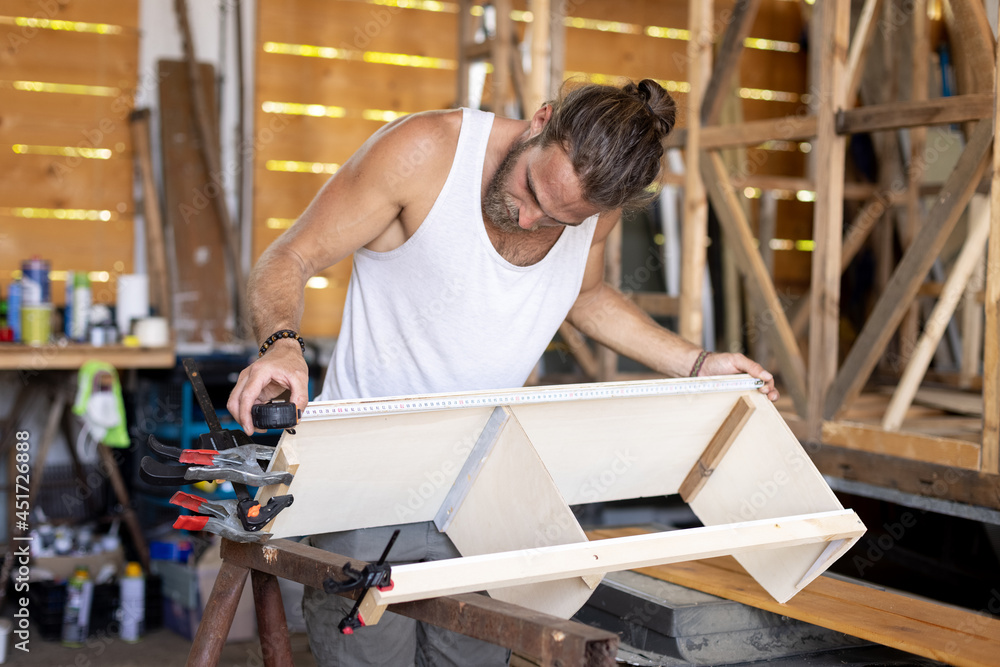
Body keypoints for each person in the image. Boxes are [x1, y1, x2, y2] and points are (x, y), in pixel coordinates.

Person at [227, 78, 779, 666]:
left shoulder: (594, 203)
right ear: (541, 121)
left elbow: (585, 295)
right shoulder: (426, 152)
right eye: (531, 190)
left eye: (556, 220)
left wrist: (696, 363)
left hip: (485, 481)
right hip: (371, 478)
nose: (528, 217)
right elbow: (289, 256)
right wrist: (282, 344)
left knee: (476, 655)